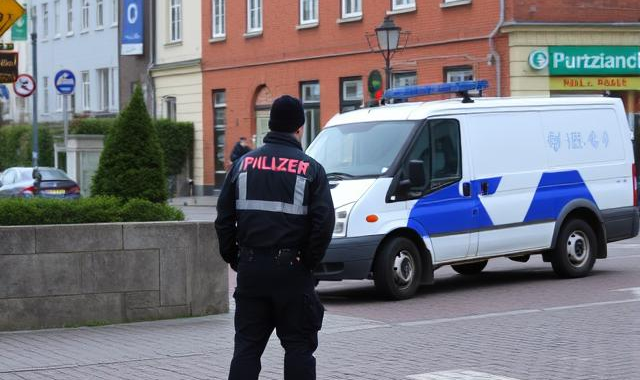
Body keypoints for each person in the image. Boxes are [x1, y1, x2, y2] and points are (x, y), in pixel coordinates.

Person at [215, 95, 335, 380]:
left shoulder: (242, 165)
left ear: (270, 125)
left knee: (246, 347)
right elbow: (323, 223)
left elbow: (222, 219)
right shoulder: (311, 169)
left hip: (251, 270)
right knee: (298, 347)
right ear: (299, 128)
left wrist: (236, 257)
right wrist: (308, 261)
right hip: (292, 271)